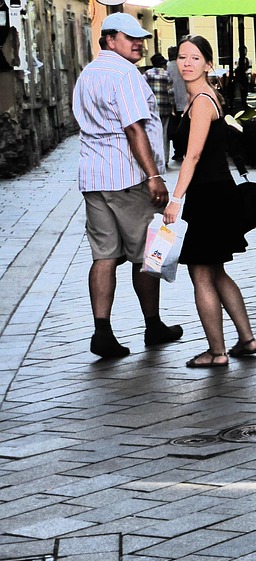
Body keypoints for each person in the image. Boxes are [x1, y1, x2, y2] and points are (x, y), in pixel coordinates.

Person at [71, 12, 183, 360]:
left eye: (141, 38)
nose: (139, 43)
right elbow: (134, 129)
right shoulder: (125, 74)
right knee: (146, 254)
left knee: (103, 256)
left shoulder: (87, 74)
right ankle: (153, 326)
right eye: (130, 37)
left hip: (93, 176)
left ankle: (101, 332)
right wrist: (153, 176)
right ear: (109, 39)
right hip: (128, 177)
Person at [164, 35, 256, 369]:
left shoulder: (203, 101)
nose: (187, 63)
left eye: (194, 58)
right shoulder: (198, 98)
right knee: (216, 273)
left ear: (207, 63)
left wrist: (175, 199)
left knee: (201, 275)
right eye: (181, 57)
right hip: (213, 193)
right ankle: (246, 340)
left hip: (209, 196)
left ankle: (217, 353)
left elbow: (192, 157)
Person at [142, 53, 174, 165]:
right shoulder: (167, 75)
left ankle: (153, 158)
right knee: (164, 135)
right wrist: (173, 106)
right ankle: (164, 160)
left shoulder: (147, 74)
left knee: (152, 133)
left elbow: (142, 91)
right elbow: (171, 93)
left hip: (150, 110)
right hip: (165, 109)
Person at [166, 46, 190, 162]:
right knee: (186, 127)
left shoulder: (167, 67)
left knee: (175, 128)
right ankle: (186, 150)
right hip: (186, 101)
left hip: (173, 103)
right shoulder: (183, 65)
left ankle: (178, 152)